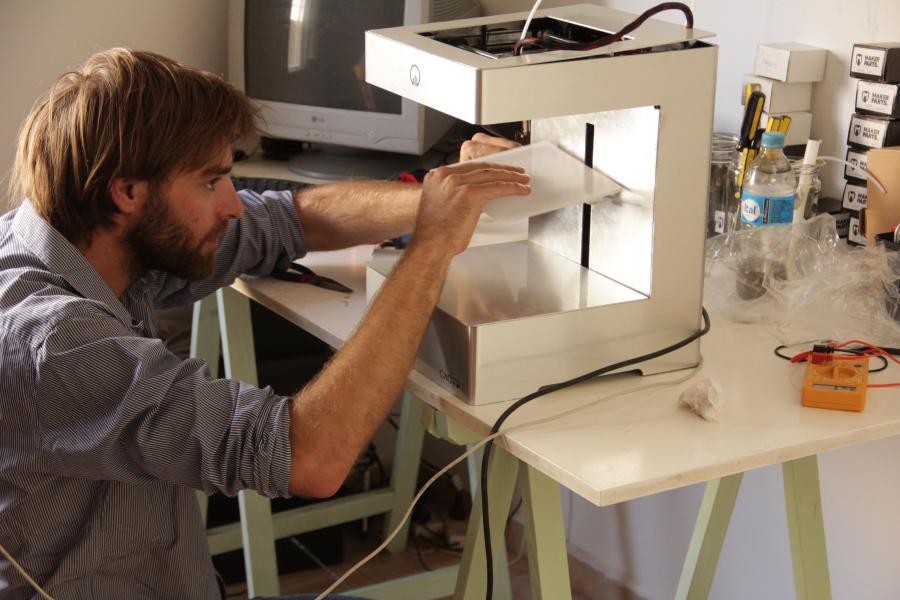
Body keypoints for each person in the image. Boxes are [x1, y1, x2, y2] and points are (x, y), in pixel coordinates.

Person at [0, 48, 528, 598]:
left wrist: (448, 194)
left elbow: (286, 219)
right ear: (128, 191)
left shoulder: (67, 237)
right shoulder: (54, 345)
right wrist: (433, 245)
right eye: (211, 182)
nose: (232, 205)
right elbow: (311, 457)